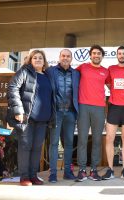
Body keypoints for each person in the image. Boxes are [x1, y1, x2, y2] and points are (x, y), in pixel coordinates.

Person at [7, 50, 54, 186]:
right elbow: (13, 88)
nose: (38, 59)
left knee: (37, 148)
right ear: (30, 60)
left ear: (44, 61)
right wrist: (18, 110)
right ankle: (24, 177)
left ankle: (33, 175)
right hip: (27, 117)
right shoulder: (24, 72)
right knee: (25, 146)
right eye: (35, 58)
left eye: (40, 58)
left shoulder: (47, 76)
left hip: (43, 119)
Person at [75, 45, 109, 182]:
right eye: (94, 53)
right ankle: (82, 170)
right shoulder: (82, 67)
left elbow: (115, 85)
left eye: (99, 53)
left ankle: (94, 170)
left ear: (102, 56)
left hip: (99, 108)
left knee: (97, 140)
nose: (96, 55)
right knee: (82, 139)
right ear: (90, 55)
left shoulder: (106, 71)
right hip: (83, 106)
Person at [102, 46, 124, 180]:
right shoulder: (111, 69)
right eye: (119, 53)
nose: (121, 55)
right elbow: (108, 83)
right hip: (114, 106)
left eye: (123, 54)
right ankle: (110, 169)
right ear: (117, 55)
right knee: (109, 138)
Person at [47, 49, 80, 183]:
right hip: (56, 112)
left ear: (71, 59)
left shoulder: (77, 73)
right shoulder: (50, 71)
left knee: (69, 143)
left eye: (68, 56)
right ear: (59, 57)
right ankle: (53, 174)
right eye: (63, 56)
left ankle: (67, 172)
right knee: (54, 143)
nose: (65, 58)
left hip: (71, 113)